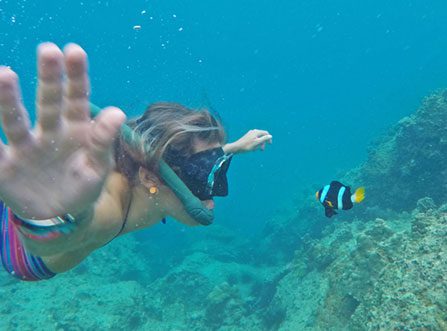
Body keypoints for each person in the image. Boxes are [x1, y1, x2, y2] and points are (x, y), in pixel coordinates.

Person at [0, 42, 272, 281]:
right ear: (150, 178)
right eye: (203, 177)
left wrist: (234, 147)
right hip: (17, 225)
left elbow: (186, 166)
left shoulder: (158, 178)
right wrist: (43, 213)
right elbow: (78, 229)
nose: (214, 196)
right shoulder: (108, 212)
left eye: (217, 169)